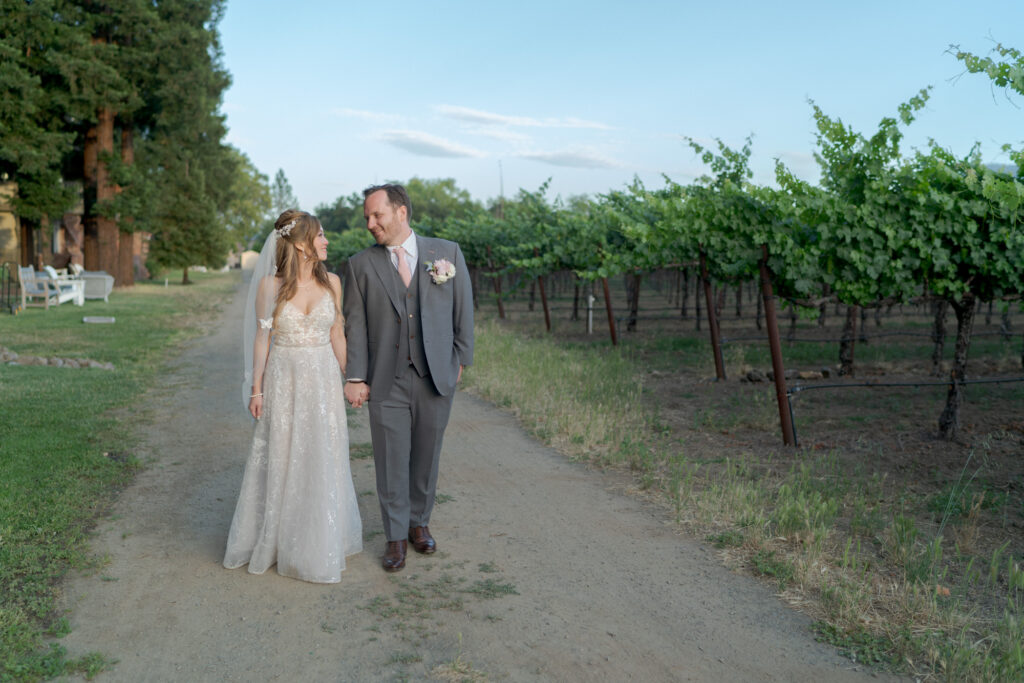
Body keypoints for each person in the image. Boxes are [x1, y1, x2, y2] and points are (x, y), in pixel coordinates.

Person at [223, 210, 362, 583]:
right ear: (301, 244)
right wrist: (257, 389)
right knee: (282, 453)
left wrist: (355, 379)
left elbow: (337, 336)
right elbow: (261, 339)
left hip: (322, 380)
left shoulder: (333, 282)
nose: (326, 241)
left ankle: (318, 538)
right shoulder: (271, 286)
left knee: (321, 453)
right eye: (320, 236)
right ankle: (276, 538)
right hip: (284, 378)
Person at [343, 184, 473, 572]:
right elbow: (355, 325)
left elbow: (463, 310)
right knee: (390, 458)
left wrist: (460, 359)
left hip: (436, 374)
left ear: (400, 212)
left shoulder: (446, 254)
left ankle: (420, 523)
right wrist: (356, 376)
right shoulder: (359, 265)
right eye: (367, 217)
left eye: (376, 215)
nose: (370, 223)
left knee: (427, 454)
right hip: (386, 378)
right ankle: (396, 536)